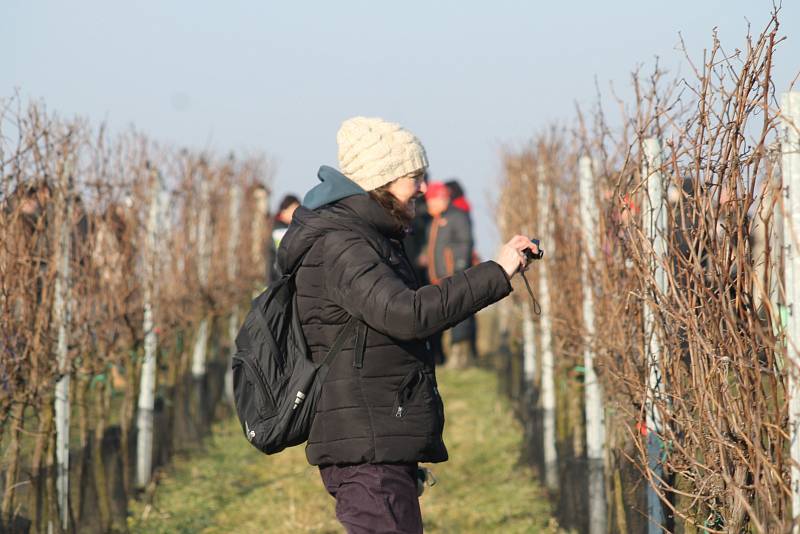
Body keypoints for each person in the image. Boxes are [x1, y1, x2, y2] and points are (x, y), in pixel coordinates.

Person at [276, 116, 538, 534]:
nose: (422, 186)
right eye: (413, 176)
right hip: (367, 448)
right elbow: (407, 313)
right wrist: (496, 272)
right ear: (382, 179)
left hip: (377, 440)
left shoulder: (366, 236)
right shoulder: (344, 244)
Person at [424, 181, 476, 369]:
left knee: (460, 315)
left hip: (453, 275)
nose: (428, 204)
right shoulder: (435, 221)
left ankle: (461, 357)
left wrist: (459, 268)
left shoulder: (457, 216)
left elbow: (465, 242)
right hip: (437, 277)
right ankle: (446, 356)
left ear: (441, 198)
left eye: (431, 200)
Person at [268, 194, 300, 281]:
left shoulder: (293, 228)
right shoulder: (278, 230)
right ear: (284, 209)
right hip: (278, 278)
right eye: (293, 210)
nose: (295, 214)